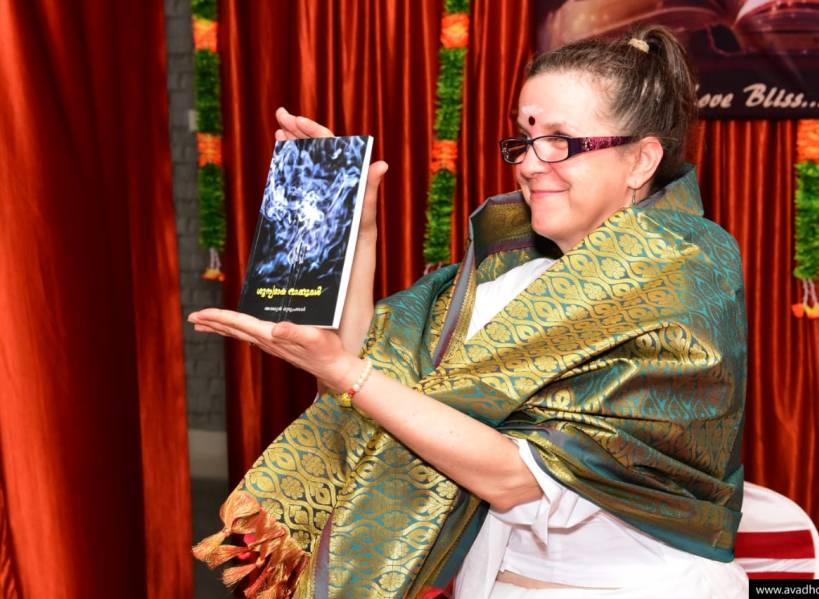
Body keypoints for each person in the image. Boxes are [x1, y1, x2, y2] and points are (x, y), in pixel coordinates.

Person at [191, 25, 748, 599]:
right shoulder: (517, 275)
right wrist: (359, 231)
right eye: (525, 140)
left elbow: (517, 479)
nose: (530, 165)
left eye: (560, 141)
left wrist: (345, 374)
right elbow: (382, 377)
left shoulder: (684, 277)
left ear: (641, 160)